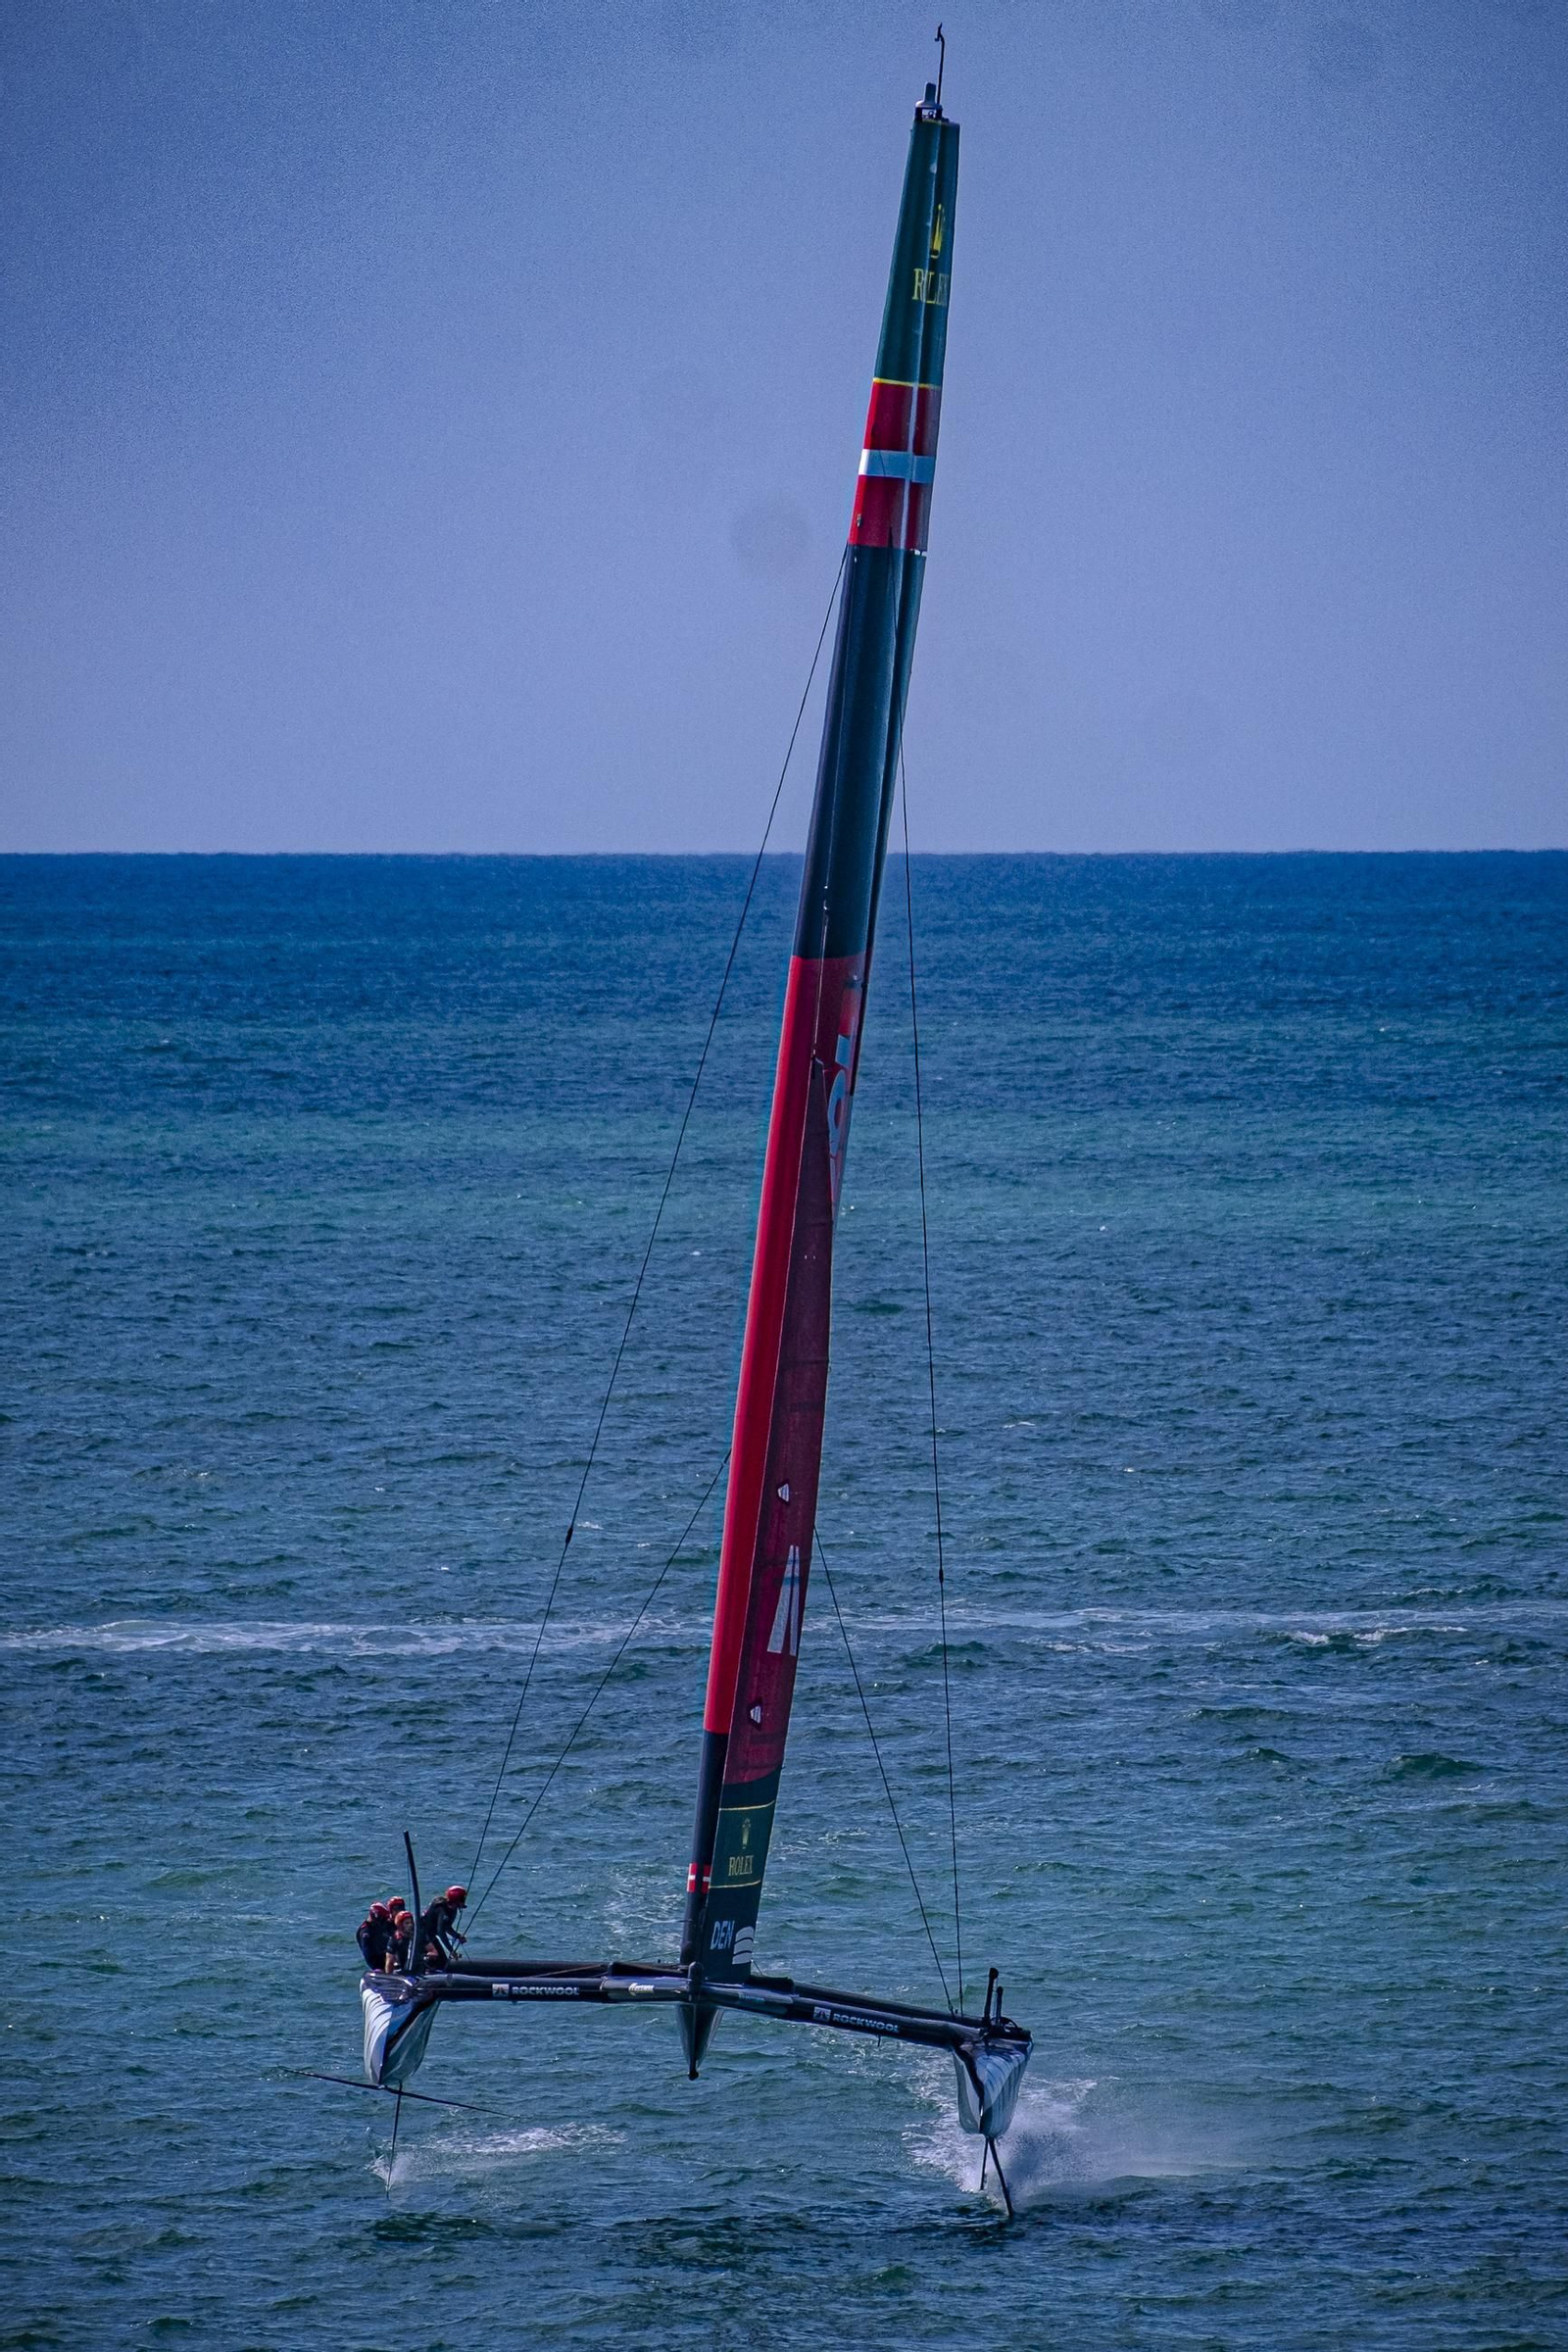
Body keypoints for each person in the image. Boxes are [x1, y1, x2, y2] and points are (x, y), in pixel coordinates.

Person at [416, 1884, 467, 1970]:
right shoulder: (442, 1910)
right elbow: (441, 1932)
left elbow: (446, 1927)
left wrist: (457, 1936)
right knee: (437, 1958)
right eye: (462, 1898)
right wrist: (451, 1950)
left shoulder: (451, 1908)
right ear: (456, 1899)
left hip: (430, 1936)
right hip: (423, 1936)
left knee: (443, 1961)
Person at [356, 1901, 393, 1969]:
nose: (384, 1921)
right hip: (381, 1963)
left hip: (390, 1955)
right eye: (382, 1919)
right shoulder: (366, 1932)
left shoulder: (381, 1924)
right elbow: (369, 1955)